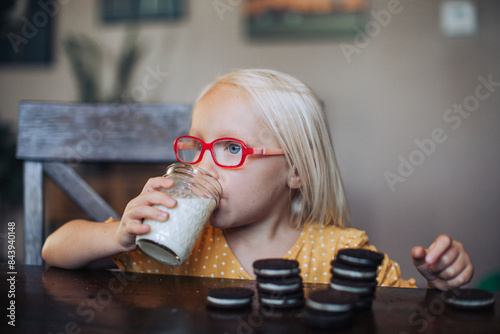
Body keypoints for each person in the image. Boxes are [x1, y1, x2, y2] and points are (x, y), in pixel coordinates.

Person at [42, 69, 474, 290]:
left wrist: (437, 287)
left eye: (231, 148)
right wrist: (117, 236)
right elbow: (54, 248)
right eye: (198, 146)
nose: (203, 166)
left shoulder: (339, 251)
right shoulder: (171, 239)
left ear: (297, 170)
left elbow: (399, 307)